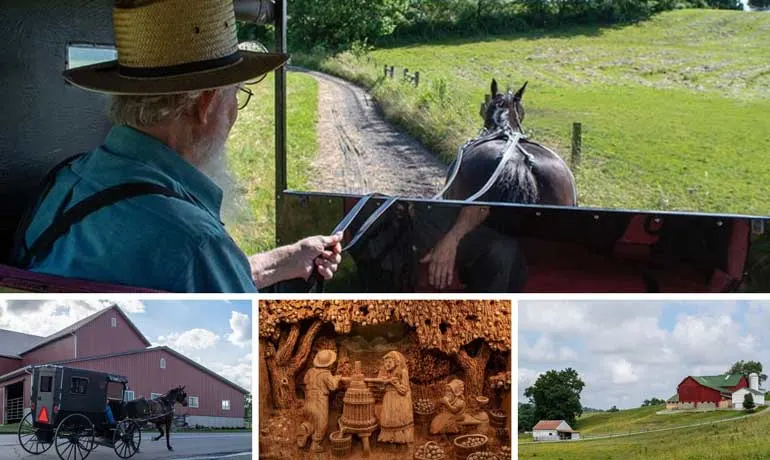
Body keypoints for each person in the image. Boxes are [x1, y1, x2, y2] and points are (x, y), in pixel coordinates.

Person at [10, 0, 341, 292]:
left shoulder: (67, 181)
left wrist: (288, 260)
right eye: (236, 96)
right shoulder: (195, 241)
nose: (234, 114)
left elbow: (184, 276)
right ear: (206, 105)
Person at [297, 350, 342, 453]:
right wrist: (337, 378)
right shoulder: (326, 374)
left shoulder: (310, 371)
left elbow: (305, 381)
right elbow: (333, 387)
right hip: (320, 400)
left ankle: (305, 429)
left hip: (308, 400)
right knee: (321, 423)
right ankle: (315, 444)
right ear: (329, 364)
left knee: (310, 420)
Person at [376, 351, 414, 444]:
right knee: (388, 417)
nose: (387, 364)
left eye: (389, 362)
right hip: (389, 398)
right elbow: (381, 388)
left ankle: (400, 438)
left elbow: (404, 389)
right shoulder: (386, 373)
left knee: (398, 418)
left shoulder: (403, 372)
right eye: (385, 362)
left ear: (396, 362)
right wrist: (383, 382)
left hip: (399, 399)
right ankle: (389, 437)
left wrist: (395, 384)